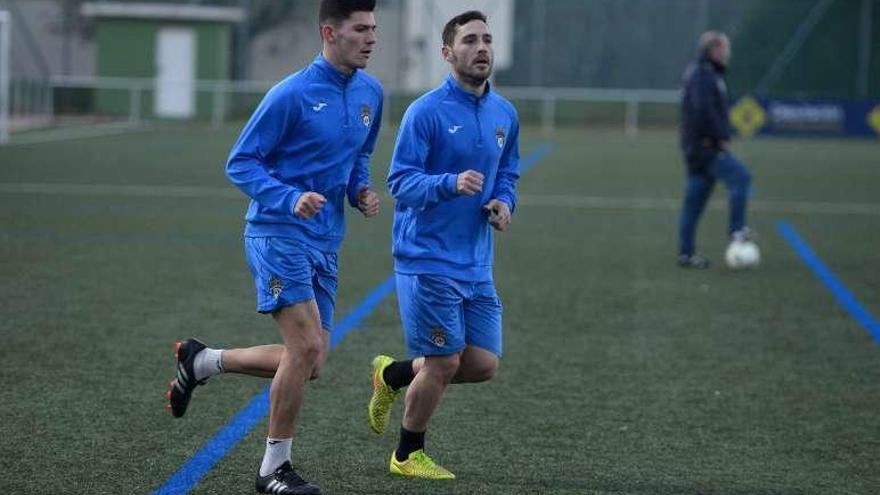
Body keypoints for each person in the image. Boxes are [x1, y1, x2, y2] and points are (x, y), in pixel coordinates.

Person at [165, 1, 382, 493]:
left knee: (312, 362)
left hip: (327, 240)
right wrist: (289, 197)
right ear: (330, 32)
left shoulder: (372, 92)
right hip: (275, 233)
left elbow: (359, 156)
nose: (371, 38)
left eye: (374, 29)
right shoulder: (292, 93)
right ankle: (272, 470)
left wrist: (360, 191)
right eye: (360, 29)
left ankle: (201, 362)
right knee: (304, 347)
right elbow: (240, 162)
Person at [366, 10, 520, 480]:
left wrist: (504, 203)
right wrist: (449, 183)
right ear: (448, 53)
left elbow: (508, 173)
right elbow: (400, 182)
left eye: (487, 39)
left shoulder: (504, 113)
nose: (482, 48)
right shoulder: (426, 112)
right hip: (426, 257)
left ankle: (392, 375)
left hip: (475, 261)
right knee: (444, 360)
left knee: (482, 363)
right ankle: (408, 454)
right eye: (470, 40)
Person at [678, 31, 754, 269]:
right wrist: (718, 137)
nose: (728, 53)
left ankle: (686, 254)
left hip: (697, 148)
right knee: (741, 177)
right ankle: (736, 231)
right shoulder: (702, 75)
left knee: (694, 203)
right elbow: (701, 110)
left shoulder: (707, 74)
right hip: (705, 148)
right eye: (724, 49)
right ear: (714, 50)